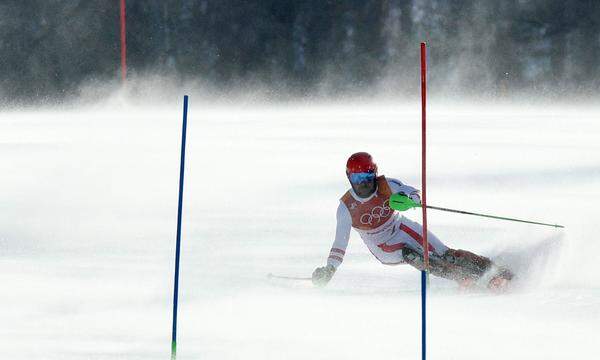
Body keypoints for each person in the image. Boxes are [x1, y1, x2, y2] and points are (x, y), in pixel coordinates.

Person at [312, 152, 513, 290]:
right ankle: (470, 280)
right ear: (349, 177)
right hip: (382, 245)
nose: (363, 183)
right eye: (357, 178)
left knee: (447, 255)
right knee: (417, 257)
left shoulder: (387, 186)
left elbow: (414, 194)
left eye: (367, 176)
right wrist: (330, 269)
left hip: (401, 226)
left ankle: (495, 271)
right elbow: (340, 242)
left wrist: (410, 202)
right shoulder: (346, 207)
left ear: (374, 173)